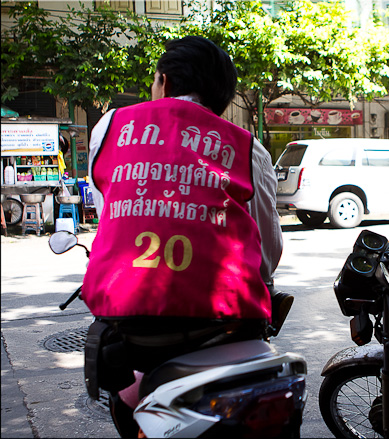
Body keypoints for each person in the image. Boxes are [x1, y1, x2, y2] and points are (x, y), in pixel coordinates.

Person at [82, 36, 289, 437]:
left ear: (163, 80)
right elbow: (268, 254)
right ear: (222, 100)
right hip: (226, 329)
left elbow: (110, 213)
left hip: (136, 335)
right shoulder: (248, 147)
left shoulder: (109, 128)